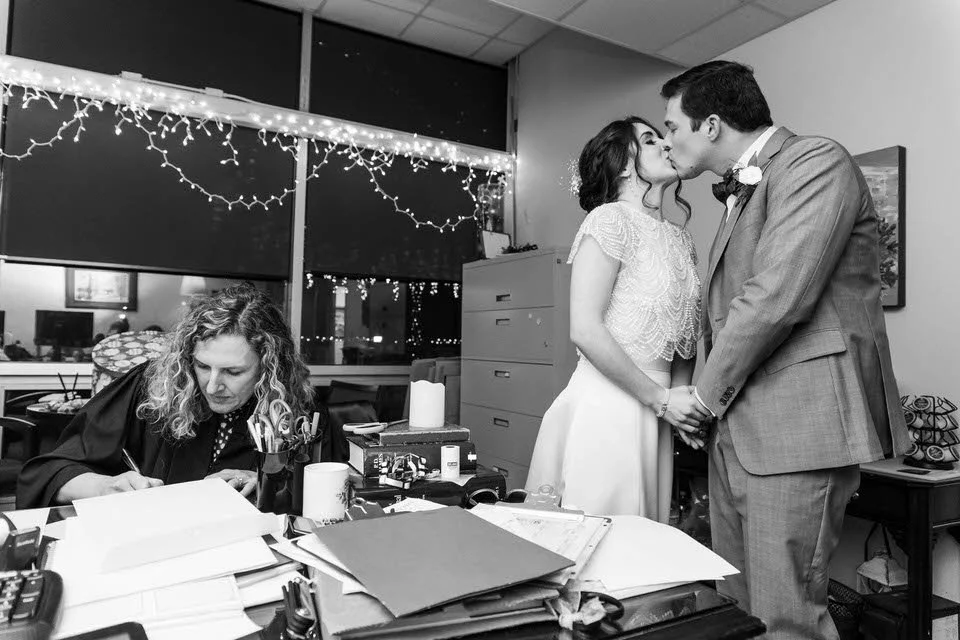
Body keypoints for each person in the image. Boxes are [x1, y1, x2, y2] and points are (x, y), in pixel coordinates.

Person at [660, 61, 909, 639]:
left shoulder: (815, 161)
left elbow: (775, 298)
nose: (668, 139)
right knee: (740, 611)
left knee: (785, 617)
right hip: (740, 431)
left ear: (712, 125)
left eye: (672, 126)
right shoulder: (743, 190)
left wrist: (700, 396)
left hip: (797, 427)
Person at [524, 117, 706, 520]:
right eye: (649, 139)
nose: (666, 145)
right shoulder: (609, 220)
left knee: (645, 541)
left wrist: (681, 406)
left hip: (659, 415)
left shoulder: (682, 240)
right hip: (608, 405)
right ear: (624, 164)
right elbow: (585, 329)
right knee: (600, 540)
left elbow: (686, 336)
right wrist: (661, 401)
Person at [17, 283, 316, 508]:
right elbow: (47, 473)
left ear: (269, 368)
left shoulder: (293, 409)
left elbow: (323, 491)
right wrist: (105, 487)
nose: (212, 386)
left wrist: (269, 482)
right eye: (202, 366)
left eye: (233, 372)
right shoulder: (150, 387)